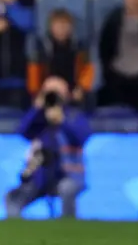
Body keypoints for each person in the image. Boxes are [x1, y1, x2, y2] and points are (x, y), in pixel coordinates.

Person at [6, 77, 91, 218]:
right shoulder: (40, 117)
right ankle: (18, 233)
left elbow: (82, 137)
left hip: (68, 174)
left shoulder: (73, 115)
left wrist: (62, 121)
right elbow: (23, 131)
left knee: (66, 189)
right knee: (12, 197)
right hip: (41, 175)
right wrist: (37, 108)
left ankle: (69, 228)